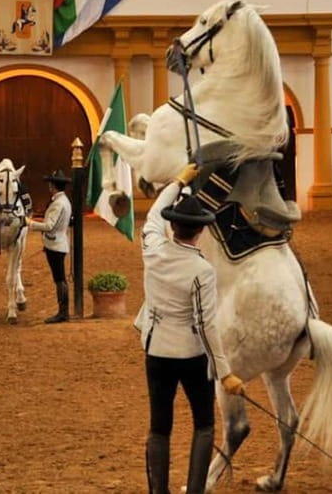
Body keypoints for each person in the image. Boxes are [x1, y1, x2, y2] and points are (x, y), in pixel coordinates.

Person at [136, 163, 244, 494]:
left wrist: (177, 182)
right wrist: (225, 373)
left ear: (174, 226)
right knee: (204, 424)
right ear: (198, 232)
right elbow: (206, 324)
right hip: (190, 355)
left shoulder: (152, 248)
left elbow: (153, 213)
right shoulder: (202, 270)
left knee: (160, 426)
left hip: (156, 350)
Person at [25, 169, 72, 324]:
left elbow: (49, 225)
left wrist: (29, 223)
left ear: (54, 185)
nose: (49, 186)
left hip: (55, 245)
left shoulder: (58, 203)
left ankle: (63, 312)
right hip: (58, 243)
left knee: (59, 279)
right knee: (60, 279)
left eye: (50, 183)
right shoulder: (63, 201)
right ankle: (63, 311)